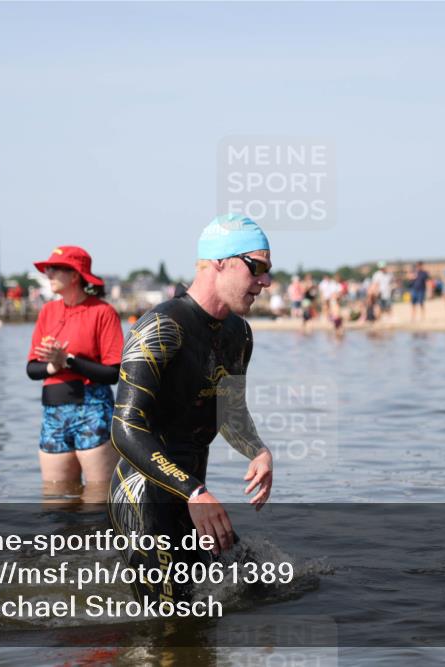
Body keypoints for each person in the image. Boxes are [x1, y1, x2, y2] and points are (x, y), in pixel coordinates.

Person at [108, 214, 274, 603]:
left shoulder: (238, 334)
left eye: (269, 271)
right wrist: (193, 491)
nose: (266, 282)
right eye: (258, 267)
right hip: (144, 497)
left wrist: (258, 450)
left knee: (260, 585)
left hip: (194, 497)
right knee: (173, 625)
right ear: (220, 262)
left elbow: (228, 412)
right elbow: (124, 428)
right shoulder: (160, 328)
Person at [27, 246, 124, 498]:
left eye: (56, 268)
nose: (48, 273)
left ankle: (100, 538)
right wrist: (52, 366)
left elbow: (114, 373)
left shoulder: (102, 312)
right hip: (53, 413)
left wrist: (68, 360)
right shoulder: (48, 311)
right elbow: (32, 369)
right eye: (47, 268)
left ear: (75, 275)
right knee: (55, 498)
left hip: (93, 411)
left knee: (98, 498)